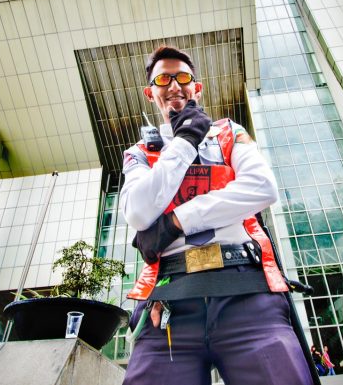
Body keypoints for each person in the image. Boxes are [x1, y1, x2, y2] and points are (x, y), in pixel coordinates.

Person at [120, 46, 315, 385]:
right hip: (168, 304)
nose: (174, 85)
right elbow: (137, 212)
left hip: (247, 295)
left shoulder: (229, 132)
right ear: (150, 92)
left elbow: (262, 188)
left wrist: (176, 221)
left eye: (183, 77)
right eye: (163, 79)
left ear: (197, 87)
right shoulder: (138, 153)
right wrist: (184, 141)